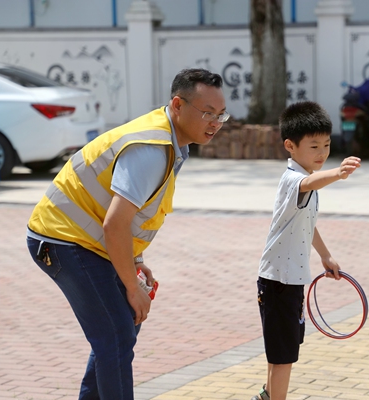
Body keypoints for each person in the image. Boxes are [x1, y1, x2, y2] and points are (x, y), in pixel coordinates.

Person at [26, 68, 228, 400]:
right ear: (178, 105)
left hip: (86, 240)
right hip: (62, 239)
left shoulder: (170, 141)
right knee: (117, 334)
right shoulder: (151, 150)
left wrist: (135, 259)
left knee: (119, 331)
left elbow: (127, 216)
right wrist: (132, 288)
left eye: (221, 115)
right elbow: (115, 224)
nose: (215, 123)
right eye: (207, 113)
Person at [253, 101, 361, 400]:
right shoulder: (294, 180)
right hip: (278, 281)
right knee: (283, 355)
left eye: (326, 144)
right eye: (314, 146)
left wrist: (325, 256)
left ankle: (266, 395)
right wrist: (338, 173)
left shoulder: (306, 185)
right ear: (290, 146)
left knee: (283, 348)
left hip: (291, 279)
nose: (322, 153)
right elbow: (310, 182)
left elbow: (307, 224)